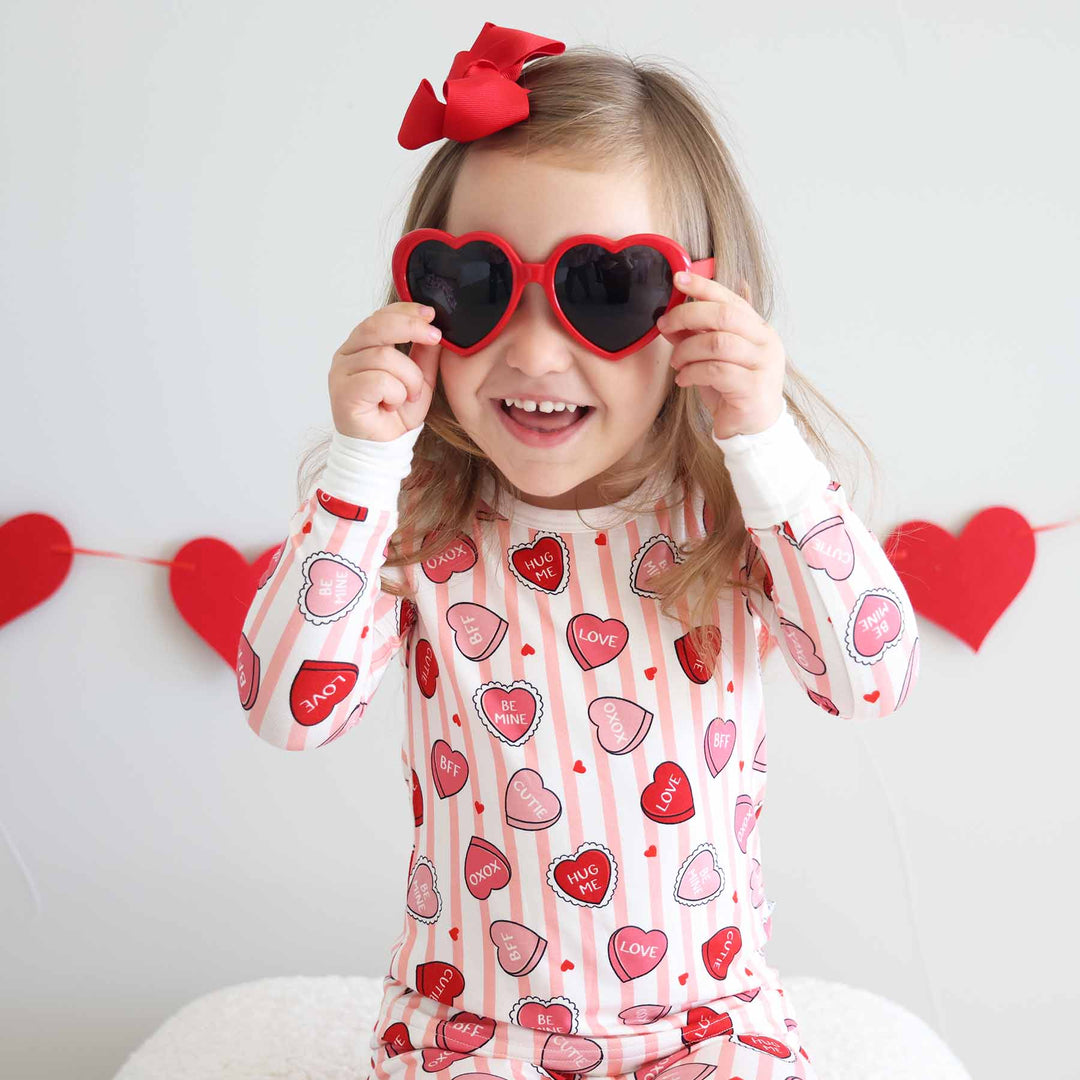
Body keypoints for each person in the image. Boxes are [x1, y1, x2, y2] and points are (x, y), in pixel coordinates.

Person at [235, 21, 921, 1080]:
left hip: (707, 1027)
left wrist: (764, 443)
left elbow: (871, 679)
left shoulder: (733, 514)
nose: (536, 350)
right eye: (476, 285)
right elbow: (285, 710)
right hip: (465, 1032)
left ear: (698, 307)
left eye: (604, 289)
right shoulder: (416, 526)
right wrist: (361, 467)